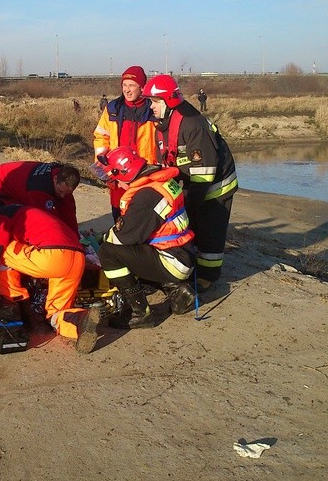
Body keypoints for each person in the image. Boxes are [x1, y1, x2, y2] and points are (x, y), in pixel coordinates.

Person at [142, 75, 237, 291]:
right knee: (191, 226)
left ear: (168, 102)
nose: (151, 106)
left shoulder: (193, 124)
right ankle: (191, 268)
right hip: (192, 182)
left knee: (209, 231)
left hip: (215, 186)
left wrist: (191, 204)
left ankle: (207, 277)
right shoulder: (165, 123)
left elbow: (204, 172)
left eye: (155, 102)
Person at [0, 198, 100, 354]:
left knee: (1, 253)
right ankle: (82, 321)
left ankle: (15, 306)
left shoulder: (1, 215)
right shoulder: (28, 211)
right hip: (77, 258)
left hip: (53, 257)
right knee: (55, 314)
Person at [96, 147, 197, 329]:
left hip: (172, 260)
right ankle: (176, 290)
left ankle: (140, 313)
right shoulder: (160, 183)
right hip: (182, 253)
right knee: (131, 252)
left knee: (108, 252)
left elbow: (123, 238)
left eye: (117, 180)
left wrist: (101, 239)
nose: (117, 185)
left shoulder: (146, 197)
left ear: (126, 174)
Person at [93, 65, 158, 220]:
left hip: (145, 175)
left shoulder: (154, 110)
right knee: (119, 214)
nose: (127, 90)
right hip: (117, 175)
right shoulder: (113, 108)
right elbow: (101, 136)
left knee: (143, 216)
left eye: (132, 85)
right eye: (124, 85)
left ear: (142, 88)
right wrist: (104, 164)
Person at [0, 161, 80, 233]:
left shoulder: (63, 178)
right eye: (61, 191)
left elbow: (68, 212)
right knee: (9, 223)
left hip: (11, 182)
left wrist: (76, 238)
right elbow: (48, 222)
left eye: (66, 193)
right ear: (55, 179)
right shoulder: (39, 189)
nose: (63, 196)